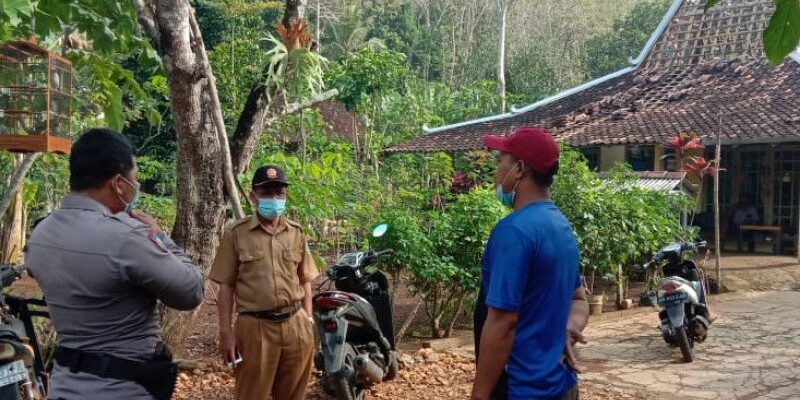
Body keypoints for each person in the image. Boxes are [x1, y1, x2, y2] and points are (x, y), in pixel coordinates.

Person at [25, 128, 205, 400]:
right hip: (123, 389)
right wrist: (158, 236)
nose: (136, 186)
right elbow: (191, 292)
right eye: (135, 179)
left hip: (65, 386)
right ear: (118, 183)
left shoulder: (41, 235)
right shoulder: (126, 238)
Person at [472, 126, 590, 400]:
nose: (496, 171)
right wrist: (570, 326)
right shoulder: (560, 226)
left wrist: (479, 395)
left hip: (523, 390)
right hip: (562, 386)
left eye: (500, 161)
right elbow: (579, 300)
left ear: (520, 169)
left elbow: (503, 322)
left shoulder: (514, 231)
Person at [210, 165, 318, 400]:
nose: (274, 198)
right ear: (253, 196)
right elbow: (225, 288)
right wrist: (226, 332)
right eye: (266, 192)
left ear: (285, 195)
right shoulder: (236, 234)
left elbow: (306, 280)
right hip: (255, 328)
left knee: (293, 394)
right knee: (251, 394)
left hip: (295, 325)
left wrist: (308, 320)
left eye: (279, 193)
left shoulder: (296, 233)